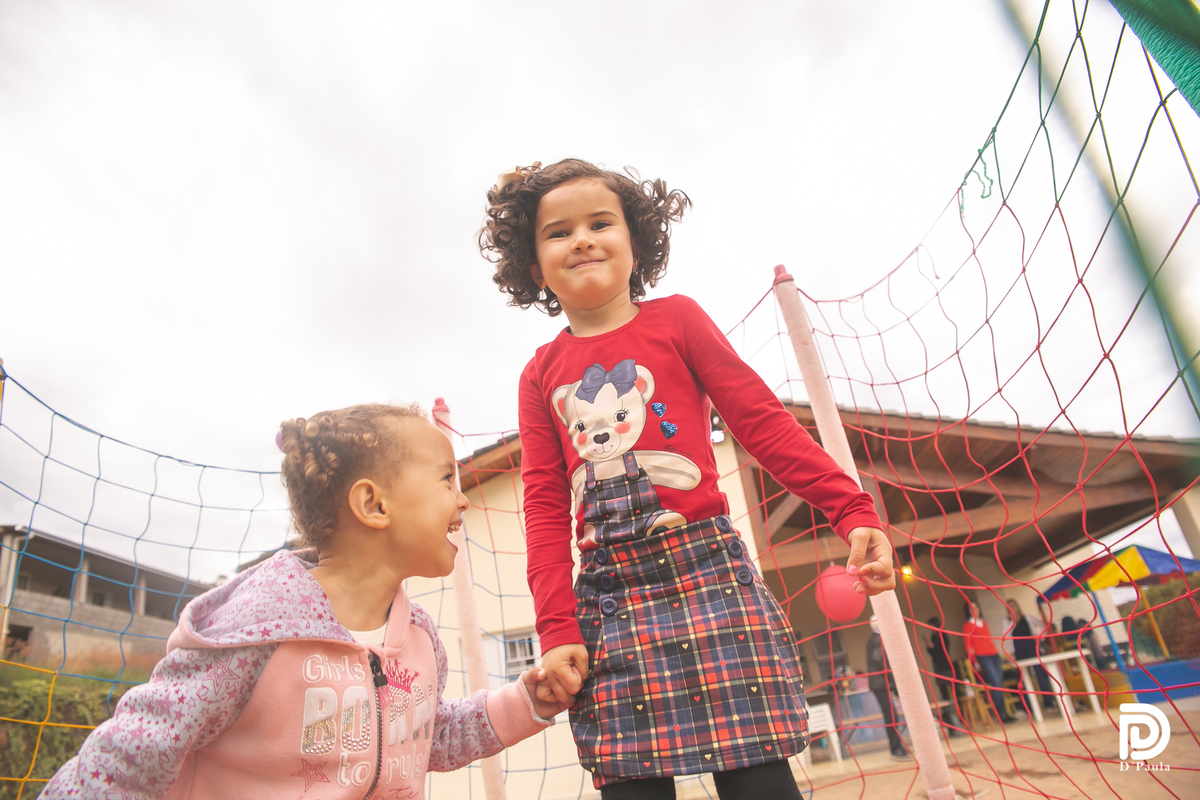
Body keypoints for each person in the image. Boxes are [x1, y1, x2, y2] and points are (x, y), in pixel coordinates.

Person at [479, 159, 897, 798]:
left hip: (709, 575)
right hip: (611, 597)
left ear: (636, 243)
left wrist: (852, 510)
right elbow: (541, 505)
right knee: (631, 783)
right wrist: (558, 628)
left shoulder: (678, 320)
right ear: (534, 266)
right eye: (559, 232)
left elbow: (762, 424)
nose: (583, 239)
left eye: (601, 223)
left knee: (757, 774)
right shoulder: (540, 374)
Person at [44, 403, 568, 799]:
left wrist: (527, 703)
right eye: (446, 479)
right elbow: (130, 757)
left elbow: (430, 737)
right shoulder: (257, 631)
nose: (461, 497)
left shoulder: (419, 641)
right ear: (373, 504)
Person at [962, 599, 1016, 724]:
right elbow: (968, 645)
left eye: (976, 607)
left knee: (1000, 683)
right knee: (996, 683)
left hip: (994, 654)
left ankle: (1005, 712)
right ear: (968, 611)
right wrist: (974, 661)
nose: (974, 610)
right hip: (982, 656)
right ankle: (1001, 713)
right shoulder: (968, 626)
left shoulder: (984, 623)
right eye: (971, 608)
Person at [866, 616, 911, 760]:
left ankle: (898, 747)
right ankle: (895, 748)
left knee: (892, 715)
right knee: (891, 716)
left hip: (880, 683)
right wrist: (894, 681)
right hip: (881, 684)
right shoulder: (878, 640)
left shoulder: (872, 640)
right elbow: (881, 662)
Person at [1005, 599, 1055, 713]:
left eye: (1014, 606)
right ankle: (1026, 707)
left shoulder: (1027, 618)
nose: (1013, 609)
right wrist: (1010, 655)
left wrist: (1039, 637)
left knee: (1040, 674)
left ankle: (1048, 703)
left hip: (1031, 647)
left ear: (1018, 607)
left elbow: (1042, 626)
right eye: (1010, 607)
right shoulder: (1007, 622)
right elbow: (1006, 638)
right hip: (1018, 651)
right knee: (1022, 678)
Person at [925, 617, 964, 735]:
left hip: (946, 666)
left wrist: (934, 647)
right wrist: (929, 647)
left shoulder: (943, 634)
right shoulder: (933, 636)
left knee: (955, 691)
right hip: (938, 667)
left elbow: (943, 650)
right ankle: (949, 717)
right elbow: (933, 654)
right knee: (944, 694)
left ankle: (961, 715)